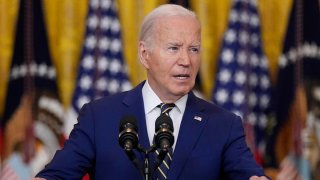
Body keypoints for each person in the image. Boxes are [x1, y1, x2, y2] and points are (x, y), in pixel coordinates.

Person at [35, 4, 268, 179]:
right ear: (144, 54)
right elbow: (56, 175)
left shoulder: (224, 125)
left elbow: (250, 175)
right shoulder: (99, 117)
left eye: (194, 49)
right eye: (174, 48)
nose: (186, 60)